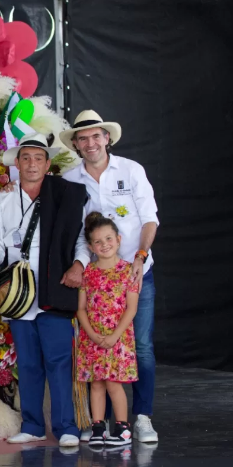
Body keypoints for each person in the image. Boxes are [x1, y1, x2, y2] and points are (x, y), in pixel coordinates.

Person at [0, 133, 87, 447]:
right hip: (17, 289)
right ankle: (33, 425)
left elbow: (79, 238)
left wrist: (79, 263)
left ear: (48, 163)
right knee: (27, 362)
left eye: (38, 158)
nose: (32, 163)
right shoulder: (3, 198)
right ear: (17, 162)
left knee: (59, 360)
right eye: (26, 157)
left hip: (55, 284)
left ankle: (67, 427)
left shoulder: (65, 194)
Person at [59, 110, 160, 444]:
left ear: (107, 138)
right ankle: (98, 421)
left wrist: (140, 257)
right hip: (98, 282)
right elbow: (77, 234)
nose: (91, 143)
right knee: (97, 350)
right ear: (75, 144)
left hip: (134, 274)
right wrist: (78, 263)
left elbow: (150, 220)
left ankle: (141, 417)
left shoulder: (131, 171)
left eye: (96, 136)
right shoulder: (71, 179)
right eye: (83, 138)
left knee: (141, 346)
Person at [76, 212, 139, 447]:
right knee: (97, 383)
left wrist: (113, 336)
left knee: (113, 382)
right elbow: (81, 309)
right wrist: (92, 334)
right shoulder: (88, 273)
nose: (104, 245)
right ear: (91, 246)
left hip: (118, 338)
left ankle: (123, 429)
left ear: (119, 239)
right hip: (92, 337)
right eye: (98, 242)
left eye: (109, 239)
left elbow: (131, 309)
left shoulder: (128, 271)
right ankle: (98, 427)